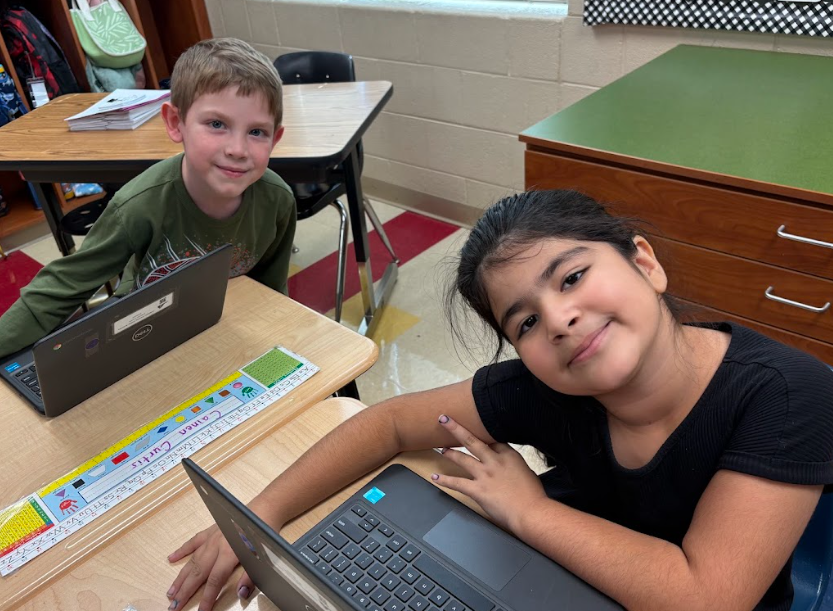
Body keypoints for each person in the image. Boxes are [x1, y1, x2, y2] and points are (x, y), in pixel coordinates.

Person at [166, 190, 833, 611]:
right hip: (561, 575)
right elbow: (390, 420)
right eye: (525, 323)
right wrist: (259, 516)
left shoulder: (788, 394)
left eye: (572, 276)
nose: (560, 320)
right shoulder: (551, 384)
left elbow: (704, 595)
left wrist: (529, 511)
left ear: (643, 263)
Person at [0, 38, 295, 358]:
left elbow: (272, 292)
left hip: (220, 328)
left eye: (256, 132)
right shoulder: (137, 206)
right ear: (174, 123)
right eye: (216, 124)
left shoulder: (278, 201)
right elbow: (59, 289)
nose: (237, 150)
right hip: (140, 331)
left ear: (275, 138)